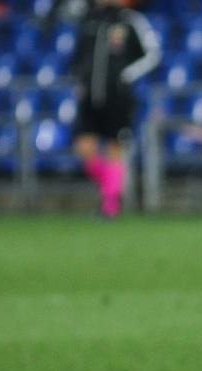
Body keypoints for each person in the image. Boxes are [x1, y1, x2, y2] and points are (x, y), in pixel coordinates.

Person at [71, 0, 160, 218]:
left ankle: (110, 205)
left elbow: (152, 54)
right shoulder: (88, 19)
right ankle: (111, 188)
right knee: (84, 148)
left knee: (114, 147)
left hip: (118, 98)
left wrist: (126, 75)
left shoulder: (130, 20)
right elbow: (79, 56)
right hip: (89, 96)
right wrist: (80, 80)